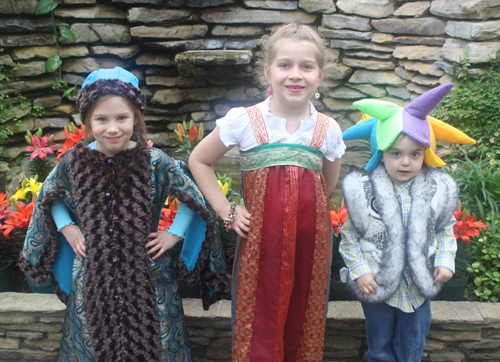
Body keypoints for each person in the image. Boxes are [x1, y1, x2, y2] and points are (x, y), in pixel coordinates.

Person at [19, 67, 229, 362]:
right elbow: (48, 197)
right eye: (101, 119)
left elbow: (192, 197)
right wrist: (67, 227)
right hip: (93, 276)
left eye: (122, 118)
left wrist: (174, 234)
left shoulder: (155, 161)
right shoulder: (73, 162)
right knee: (93, 342)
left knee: (157, 343)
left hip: (149, 277)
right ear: (88, 121)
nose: (112, 128)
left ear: (135, 118)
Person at [189, 23, 345, 361]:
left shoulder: (327, 130)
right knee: (259, 322)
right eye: (285, 65)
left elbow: (325, 186)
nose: (295, 75)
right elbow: (199, 160)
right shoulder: (244, 121)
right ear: (268, 71)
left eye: (307, 66)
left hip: (311, 250)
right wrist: (227, 210)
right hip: (262, 247)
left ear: (320, 74)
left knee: (303, 320)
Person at [339, 83, 476, 362]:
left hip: (417, 287)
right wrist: (360, 270)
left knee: (413, 345)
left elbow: (446, 229)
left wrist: (445, 260)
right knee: (379, 346)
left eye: (415, 154)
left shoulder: (436, 191)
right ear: (380, 153)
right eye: (396, 153)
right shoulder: (365, 191)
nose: (405, 162)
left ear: (426, 153)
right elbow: (350, 236)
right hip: (377, 285)